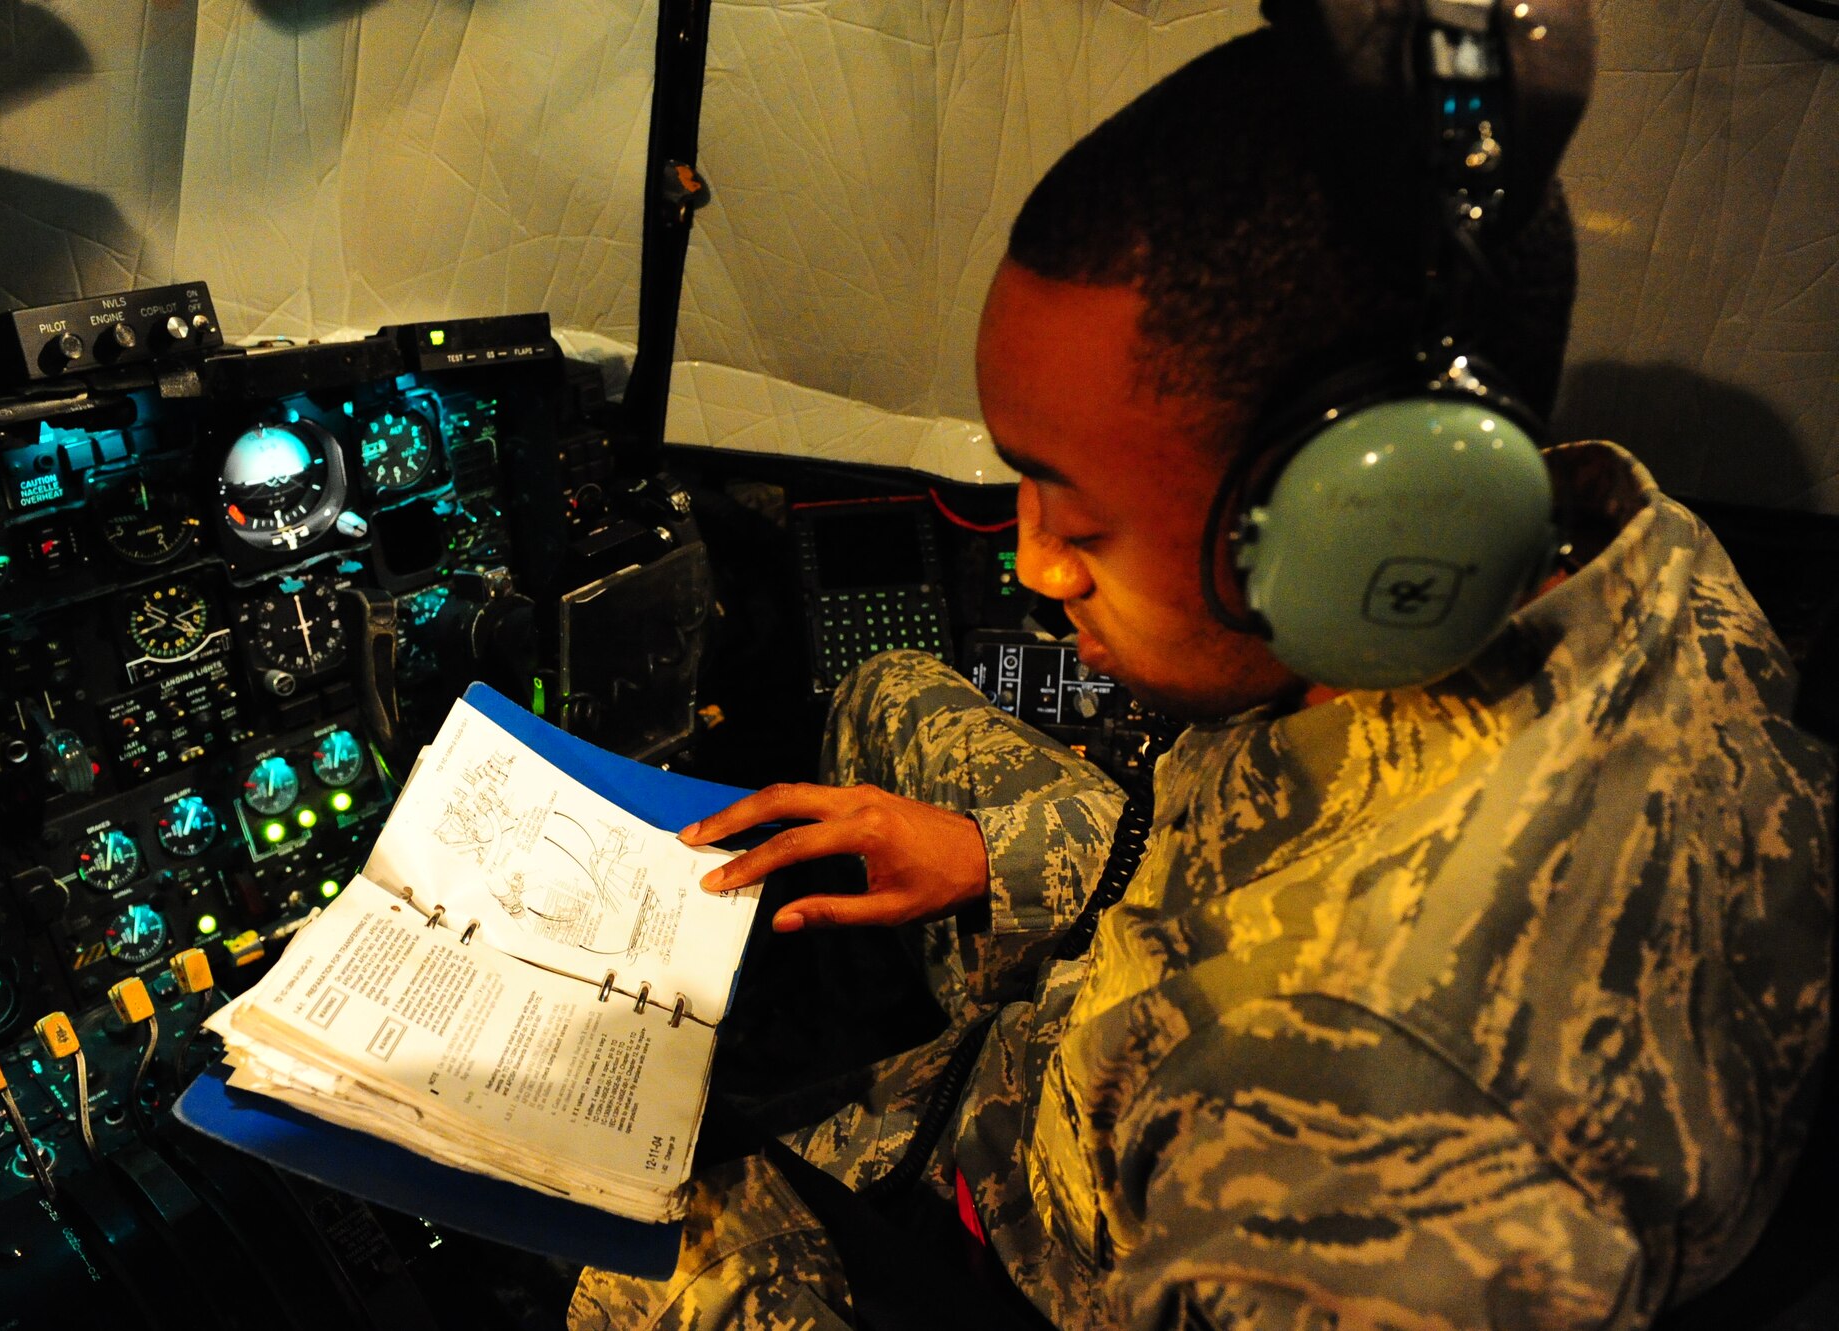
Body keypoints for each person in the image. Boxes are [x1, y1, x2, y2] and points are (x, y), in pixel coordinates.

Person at [570, 20, 1834, 1331]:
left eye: (1077, 515)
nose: (1034, 565)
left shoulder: (1360, 1144)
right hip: (1115, 996)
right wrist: (994, 858)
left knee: (626, 1252)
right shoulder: (1623, 552)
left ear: (1352, 526)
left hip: (1035, 1242)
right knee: (889, 690)